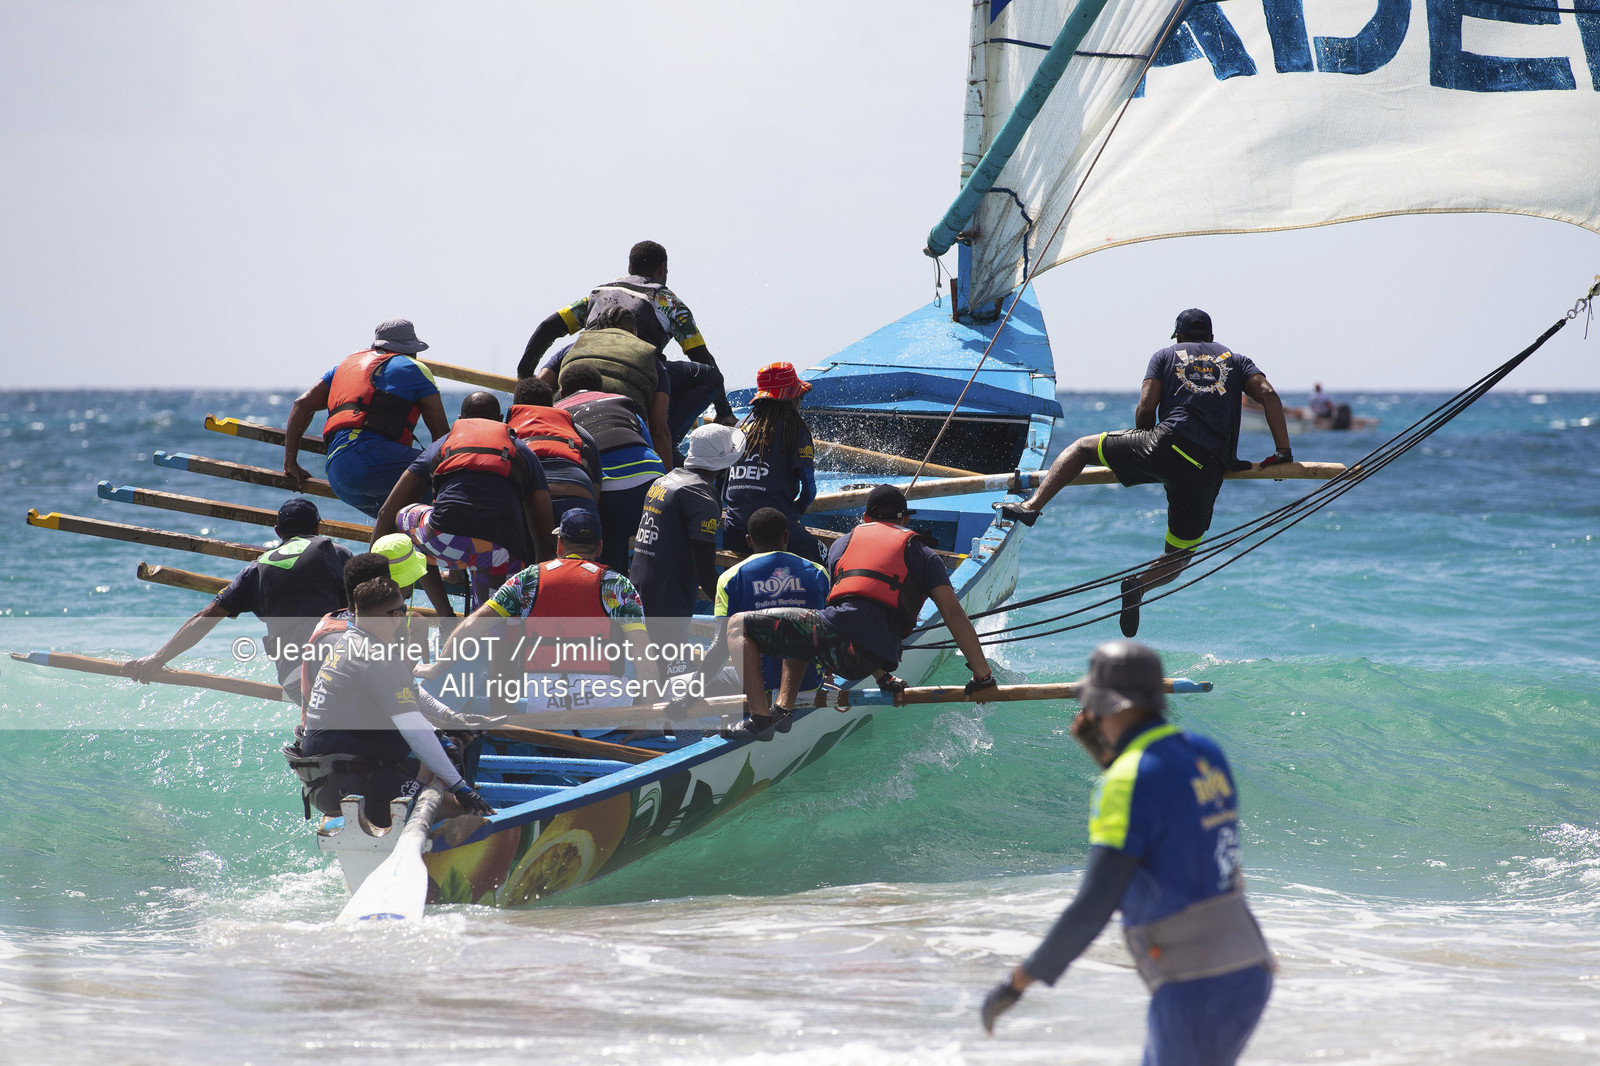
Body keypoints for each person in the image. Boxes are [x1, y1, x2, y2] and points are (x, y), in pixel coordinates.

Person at [979, 640, 1273, 1064]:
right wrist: (1109, 759)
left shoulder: (1126, 780)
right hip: (1247, 965)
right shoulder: (1204, 753)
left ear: (1105, 706)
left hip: (1196, 985)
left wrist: (1018, 982)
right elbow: (1198, 848)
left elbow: (1094, 904)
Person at [1001, 309, 1292, 638]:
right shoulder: (1237, 361)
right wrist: (1283, 453)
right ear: (1211, 338)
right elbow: (1268, 395)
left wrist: (1143, 449)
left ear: (1179, 337)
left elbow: (1145, 408)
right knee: (1179, 557)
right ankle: (1137, 586)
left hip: (1164, 444)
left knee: (1082, 448)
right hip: (1206, 468)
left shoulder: (1165, 355)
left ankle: (1031, 507)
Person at [726, 485, 997, 740]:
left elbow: (846, 613)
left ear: (865, 518)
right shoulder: (926, 555)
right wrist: (982, 676)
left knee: (745, 625)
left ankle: (759, 719)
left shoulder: (840, 546)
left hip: (838, 652)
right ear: (905, 521)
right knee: (806, 624)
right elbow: (953, 614)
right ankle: (782, 711)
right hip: (880, 655)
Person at [417, 509, 655, 726]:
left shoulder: (530, 579)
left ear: (559, 544)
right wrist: (649, 722)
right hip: (606, 716)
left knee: (493, 640)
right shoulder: (617, 584)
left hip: (543, 710)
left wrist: (439, 667)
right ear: (600, 547)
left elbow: (471, 626)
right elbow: (643, 657)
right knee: (637, 648)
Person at [293, 577, 494, 827]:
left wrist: (452, 719)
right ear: (395, 616)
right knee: (468, 817)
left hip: (323, 779)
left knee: (442, 752)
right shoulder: (378, 659)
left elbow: (411, 693)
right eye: (404, 609)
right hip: (354, 781)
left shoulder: (348, 642)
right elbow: (415, 730)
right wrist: (462, 788)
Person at [123, 498, 350, 705]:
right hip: (341, 666)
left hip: (295, 678)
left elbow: (204, 619)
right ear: (317, 528)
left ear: (278, 531)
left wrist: (157, 658)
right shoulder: (337, 553)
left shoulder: (254, 569)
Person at [517, 240, 738, 441]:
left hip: (581, 369)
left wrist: (524, 373)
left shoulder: (597, 293)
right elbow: (703, 359)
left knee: (567, 352)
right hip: (640, 371)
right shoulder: (668, 302)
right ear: (662, 270)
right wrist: (724, 411)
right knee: (711, 377)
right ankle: (664, 441)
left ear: (630, 268)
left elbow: (548, 328)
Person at [372, 392, 556, 609]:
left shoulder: (444, 444)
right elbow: (546, 539)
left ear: (459, 419)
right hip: (502, 552)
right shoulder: (523, 450)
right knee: (489, 627)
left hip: (445, 540)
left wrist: (366, 579)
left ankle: (444, 615)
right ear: (500, 420)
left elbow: (387, 512)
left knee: (402, 514)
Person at [283, 319, 450, 517]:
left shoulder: (344, 366)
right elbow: (441, 435)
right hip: (373, 460)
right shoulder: (414, 368)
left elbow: (301, 405)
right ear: (412, 350)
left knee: (395, 521)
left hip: (339, 477)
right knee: (458, 487)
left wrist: (290, 463)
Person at [702, 507, 831, 696]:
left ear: (748, 540)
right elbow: (827, 629)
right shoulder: (818, 572)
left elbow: (721, 646)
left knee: (675, 684)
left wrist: (688, 695)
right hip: (809, 682)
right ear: (786, 536)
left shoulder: (730, 578)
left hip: (759, 685)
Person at [555, 365, 668, 573]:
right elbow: (648, 445)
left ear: (562, 392)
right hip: (655, 482)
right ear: (601, 388)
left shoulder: (557, 412)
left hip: (609, 491)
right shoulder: (621, 401)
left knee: (612, 570)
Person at [538, 307, 676, 470]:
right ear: (633, 331)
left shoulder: (571, 348)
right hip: (624, 442)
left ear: (598, 329)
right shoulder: (652, 359)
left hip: (568, 442)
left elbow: (538, 386)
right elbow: (659, 430)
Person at [630, 423, 744, 619]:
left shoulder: (663, 481)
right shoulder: (700, 497)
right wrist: (733, 610)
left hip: (637, 590)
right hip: (668, 603)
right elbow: (705, 572)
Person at [723, 362, 821, 563]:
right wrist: (797, 511)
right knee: (825, 561)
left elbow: (723, 484)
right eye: (800, 396)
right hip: (778, 532)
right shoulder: (795, 429)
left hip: (735, 531)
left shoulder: (741, 426)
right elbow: (809, 489)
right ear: (792, 398)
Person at [506, 376, 603, 525]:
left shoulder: (506, 431)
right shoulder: (579, 432)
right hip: (579, 490)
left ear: (517, 407)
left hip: (529, 497)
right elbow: (595, 488)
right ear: (552, 404)